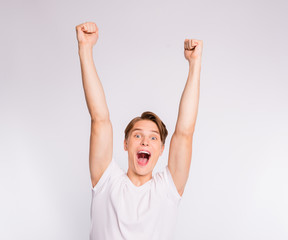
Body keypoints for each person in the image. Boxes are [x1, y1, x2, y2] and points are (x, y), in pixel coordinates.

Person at [75, 21, 203, 240]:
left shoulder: (167, 189)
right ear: (125, 144)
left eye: (153, 138)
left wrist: (195, 64)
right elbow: (100, 119)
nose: (145, 142)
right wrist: (85, 49)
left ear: (162, 149)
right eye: (137, 135)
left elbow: (184, 132)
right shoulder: (107, 181)